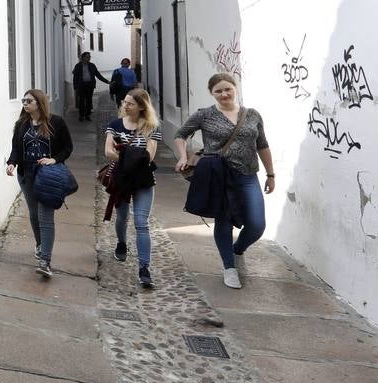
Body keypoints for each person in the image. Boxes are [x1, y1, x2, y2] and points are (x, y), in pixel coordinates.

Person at [173, 73, 275, 290]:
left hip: (248, 176)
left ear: (235, 88)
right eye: (218, 91)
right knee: (224, 222)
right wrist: (183, 156)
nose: (224, 94)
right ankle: (229, 267)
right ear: (212, 93)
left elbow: (262, 145)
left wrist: (270, 174)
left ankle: (237, 251)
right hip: (218, 175)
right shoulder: (205, 115)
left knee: (257, 225)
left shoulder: (252, 115)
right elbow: (181, 134)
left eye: (227, 89)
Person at [5, 89, 74, 278]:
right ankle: (39, 244)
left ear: (39, 103)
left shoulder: (56, 122)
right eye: (23, 101)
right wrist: (11, 163)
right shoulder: (21, 124)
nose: (25, 104)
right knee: (34, 215)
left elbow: (68, 147)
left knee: (45, 217)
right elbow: (16, 149)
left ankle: (45, 261)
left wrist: (54, 159)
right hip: (27, 175)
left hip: (47, 176)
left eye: (29, 101)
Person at [104, 88, 163, 288]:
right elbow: (108, 152)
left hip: (143, 179)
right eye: (124, 101)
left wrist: (125, 154)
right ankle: (121, 243)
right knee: (121, 217)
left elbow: (149, 156)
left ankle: (144, 268)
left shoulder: (151, 127)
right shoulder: (114, 125)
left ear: (141, 107)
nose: (125, 105)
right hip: (121, 179)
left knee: (141, 222)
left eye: (130, 103)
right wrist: (133, 156)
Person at [71, 52, 111, 122]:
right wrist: (75, 87)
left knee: (89, 100)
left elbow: (98, 75)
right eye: (87, 57)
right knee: (81, 101)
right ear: (83, 58)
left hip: (90, 85)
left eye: (89, 57)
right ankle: (81, 115)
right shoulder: (78, 66)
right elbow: (75, 77)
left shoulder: (92, 65)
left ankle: (87, 115)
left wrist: (107, 82)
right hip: (81, 86)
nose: (89, 58)